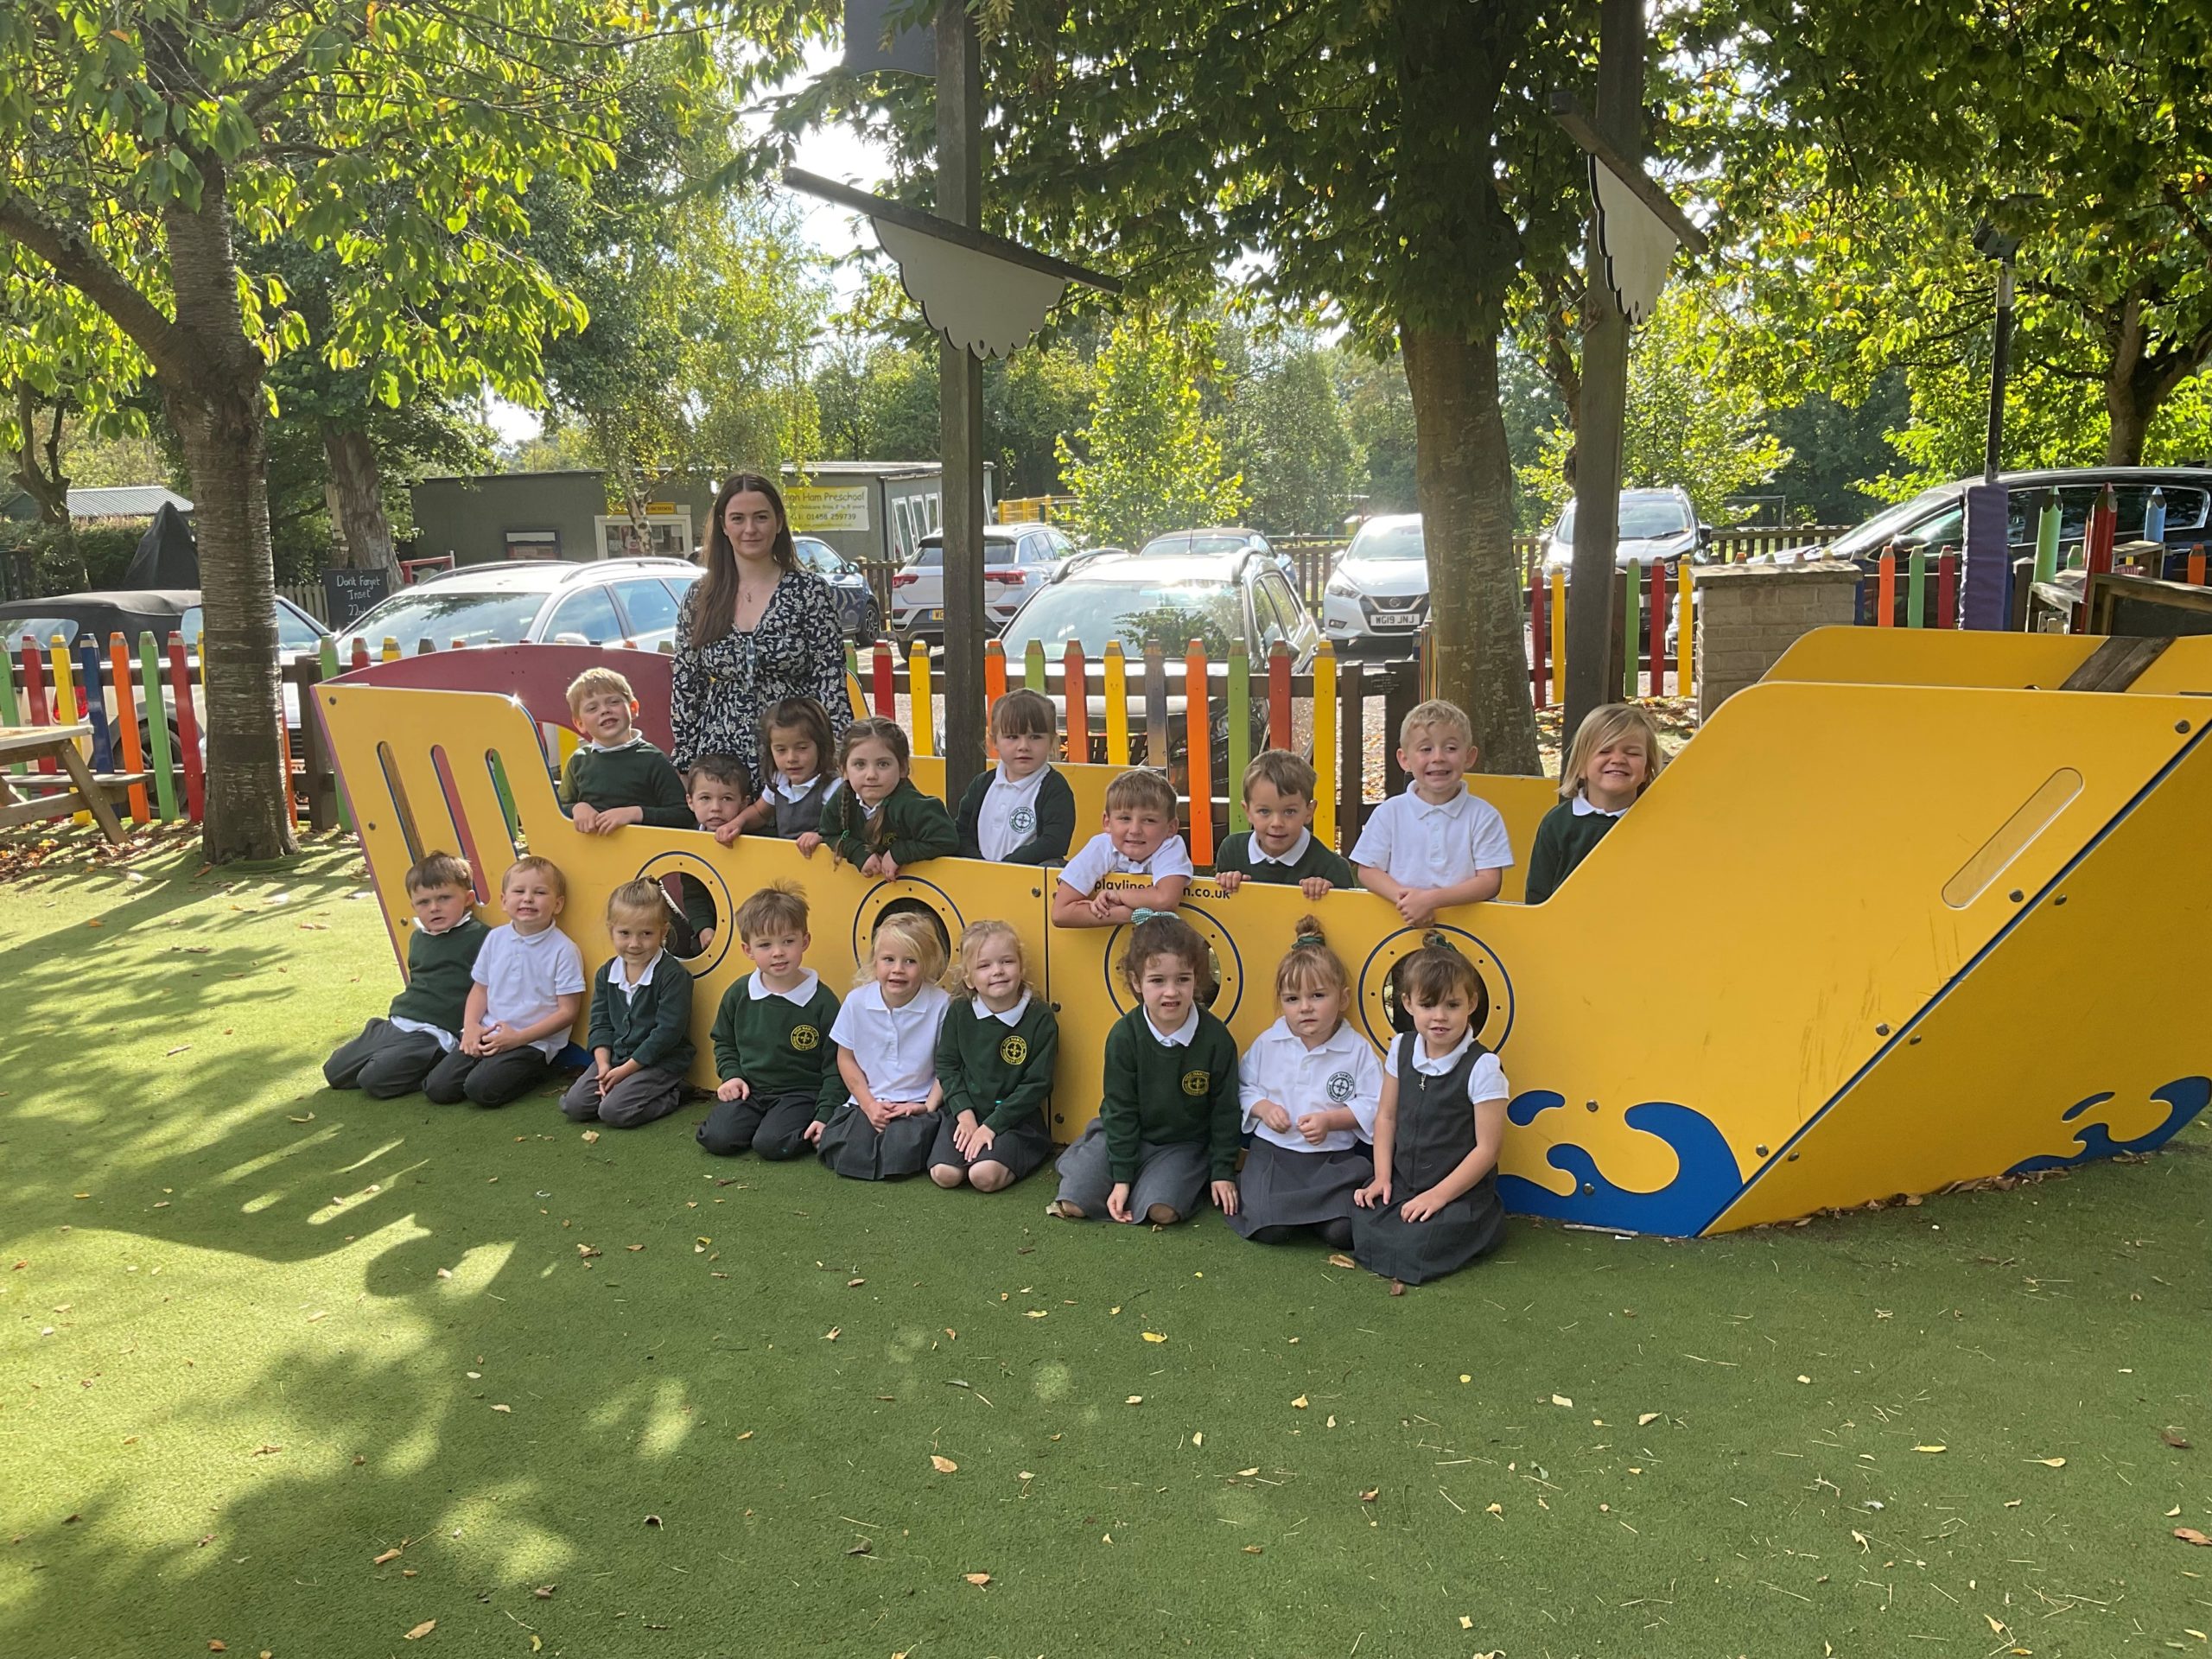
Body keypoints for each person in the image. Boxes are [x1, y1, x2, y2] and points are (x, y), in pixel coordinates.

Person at [1048, 912, 1239, 1225]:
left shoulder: (1216, 1039)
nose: (1171, 992)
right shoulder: (1124, 1035)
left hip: (1181, 1144)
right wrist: (1121, 1178)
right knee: (1074, 1202)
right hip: (1124, 1134)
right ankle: (1098, 1162)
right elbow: (1121, 1108)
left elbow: (1225, 1111)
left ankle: (1156, 1181)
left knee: (1161, 1211)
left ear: (1196, 978)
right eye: (1157, 980)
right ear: (1137, 982)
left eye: (1183, 979)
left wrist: (1222, 1171)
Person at [1352, 936, 1509, 1287]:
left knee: (1415, 1247)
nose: (1439, 1016)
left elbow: (1488, 1150)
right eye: (1427, 1004)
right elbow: (1386, 1116)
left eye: (1452, 1005)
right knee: (1360, 1220)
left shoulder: (1482, 1066)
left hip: (1458, 1192)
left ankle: (1477, 1228)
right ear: (1408, 1003)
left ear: (1471, 1003)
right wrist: (1382, 1177)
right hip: (1405, 1182)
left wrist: (1438, 1196)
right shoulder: (1402, 1047)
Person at [671, 473, 850, 775]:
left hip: (795, 762)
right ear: (723, 525)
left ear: (779, 522)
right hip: (721, 767)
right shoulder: (700, 597)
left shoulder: (809, 592)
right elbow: (686, 687)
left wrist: (837, 759)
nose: (750, 529)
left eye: (761, 517)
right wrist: (686, 764)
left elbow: (830, 682)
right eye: (738, 518)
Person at [1230, 918, 1382, 1249]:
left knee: (1344, 1232)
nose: (1305, 1008)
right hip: (1275, 1157)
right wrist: (1263, 1108)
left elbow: (1376, 1103)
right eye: (1292, 999)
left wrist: (1332, 1120)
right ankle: (1274, 1204)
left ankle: (1322, 1216)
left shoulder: (1356, 1049)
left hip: (1333, 1161)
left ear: (1343, 998)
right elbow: (1241, 1087)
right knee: (1270, 1230)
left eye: (1318, 996)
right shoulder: (1269, 1043)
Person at [424, 856, 586, 1108]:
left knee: (481, 1090)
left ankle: (541, 1071)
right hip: (489, 1032)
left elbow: (568, 1012)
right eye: (519, 891)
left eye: (540, 892)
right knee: (438, 1088)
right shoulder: (495, 938)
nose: (528, 899)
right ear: (503, 900)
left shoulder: (563, 950)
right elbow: (480, 989)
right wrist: (471, 1027)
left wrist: (518, 1039)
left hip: (531, 1042)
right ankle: (489, 1064)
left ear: (557, 904)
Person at [696, 883, 843, 1160]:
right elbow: (724, 1042)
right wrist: (732, 1075)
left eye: (788, 941)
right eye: (765, 945)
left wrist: (825, 1113)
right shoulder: (739, 993)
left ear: (805, 941)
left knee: (772, 1144)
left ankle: (783, 1128)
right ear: (748, 949)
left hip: (801, 1093)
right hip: (751, 1090)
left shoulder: (822, 1002)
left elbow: (837, 1064)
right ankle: (761, 1124)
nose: (778, 952)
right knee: (716, 1138)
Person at [324, 850, 487, 1098]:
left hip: (434, 1033)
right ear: (414, 906)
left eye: (444, 898)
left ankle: (434, 1065)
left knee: (374, 1080)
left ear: (468, 898)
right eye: (424, 902)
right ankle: (386, 1047)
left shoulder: (481, 937)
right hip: (399, 1021)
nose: (434, 908)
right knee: (334, 1071)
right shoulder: (419, 937)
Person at [812, 912, 954, 1180]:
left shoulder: (940, 1004)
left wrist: (928, 1106)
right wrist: (869, 1105)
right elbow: (846, 1058)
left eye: (910, 961)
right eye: (889, 959)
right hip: (868, 1100)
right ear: (875, 961)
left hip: (916, 1103)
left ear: (927, 963)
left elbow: (949, 1066)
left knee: (900, 1151)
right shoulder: (856, 1001)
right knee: (846, 1151)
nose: (898, 969)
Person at [1351, 698, 1513, 927]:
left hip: (1471, 930)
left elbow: (1489, 882)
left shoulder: (1484, 816)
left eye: (1451, 748)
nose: (1438, 757)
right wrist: (1406, 900)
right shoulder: (1389, 813)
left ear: (1469, 757)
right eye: (1426, 749)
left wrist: (1429, 901)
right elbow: (1368, 870)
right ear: (1405, 759)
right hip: (1400, 927)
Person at [928, 920, 1059, 1192]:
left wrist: (992, 1126)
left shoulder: (1039, 1017)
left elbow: (1037, 1083)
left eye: (1007, 962)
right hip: (966, 1113)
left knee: (983, 1176)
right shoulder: (960, 1011)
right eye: (984, 965)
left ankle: (1012, 1155)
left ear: (1021, 967)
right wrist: (964, 1115)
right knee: (944, 1174)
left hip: (1015, 1120)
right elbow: (947, 1066)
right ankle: (975, 1150)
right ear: (968, 978)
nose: (997, 971)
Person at [561, 879, 696, 1128]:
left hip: (659, 1062)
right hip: (616, 1059)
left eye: (646, 934)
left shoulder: (672, 976)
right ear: (611, 930)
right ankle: (619, 1087)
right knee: (575, 1105)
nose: (634, 944)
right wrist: (604, 1066)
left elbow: (667, 1033)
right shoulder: (607, 973)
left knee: (613, 1111)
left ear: (663, 932)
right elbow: (600, 1024)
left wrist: (625, 1071)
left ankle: (676, 1093)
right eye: (625, 933)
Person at [1524, 703, 1665, 905]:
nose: (1618, 759)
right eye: (1604, 750)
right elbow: (1538, 895)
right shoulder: (1557, 823)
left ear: (1647, 769)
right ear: (1581, 765)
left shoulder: (1659, 821)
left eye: (1632, 753)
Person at [804, 717, 959, 878]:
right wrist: (858, 852)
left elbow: (946, 840)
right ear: (844, 770)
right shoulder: (842, 797)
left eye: (883, 764)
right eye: (860, 764)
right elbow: (830, 833)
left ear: (903, 768)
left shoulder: (913, 806)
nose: (871, 775)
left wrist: (898, 854)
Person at [1051, 767, 1192, 928]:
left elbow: (1165, 900)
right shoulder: (1100, 847)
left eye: (1149, 820)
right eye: (1125, 818)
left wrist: (1118, 895)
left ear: (1171, 828)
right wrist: (1130, 913)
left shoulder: (1170, 846)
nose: (1135, 830)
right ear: (1107, 822)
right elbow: (1061, 913)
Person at [559, 667, 690, 834]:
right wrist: (577, 808)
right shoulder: (578, 761)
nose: (605, 710)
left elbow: (683, 815)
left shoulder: (653, 759)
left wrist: (636, 813)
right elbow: (557, 808)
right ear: (579, 723)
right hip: (591, 848)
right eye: (592, 708)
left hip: (643, 849)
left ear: (633, 708)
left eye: (613, 702)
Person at [953, 689, 1076, 864]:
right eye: (1012, 737)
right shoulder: (982, 785)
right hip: (979, 875)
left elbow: (1054, 842)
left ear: (1052, 742)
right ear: (994, 741)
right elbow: (961, 832)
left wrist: (1008, 868)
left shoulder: (1054, 788)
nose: (1024, 746)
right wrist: (980, 865)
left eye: (1035, 737)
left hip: (1030, 877)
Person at [1211, 750, 1356, 898]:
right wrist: (1226, 882)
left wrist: (1326, 894)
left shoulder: (1331, 867)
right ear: (1248, 811)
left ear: (1309, 811)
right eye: (1264, 811)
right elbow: (1221, 905)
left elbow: (1348, 910)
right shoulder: (1232, 851)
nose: (1277, 823)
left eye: (1289, 812)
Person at [727, 696, 839, 841]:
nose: (791, 758)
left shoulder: (833, 788)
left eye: (802, 748)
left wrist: (823, 837)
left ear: (822, 746)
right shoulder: (779, 781)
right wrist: (737, 823)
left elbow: (848, 832)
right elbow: (760, 813)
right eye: (781, 750)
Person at [675, 754, 752, 953]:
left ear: (744, 803)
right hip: (711, 930)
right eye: (705, 798)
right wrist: (703, 928)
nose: (716, 808)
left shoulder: (756, 839)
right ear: (690, 801)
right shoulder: (690, 840)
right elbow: (694, 893)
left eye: (727, 798)